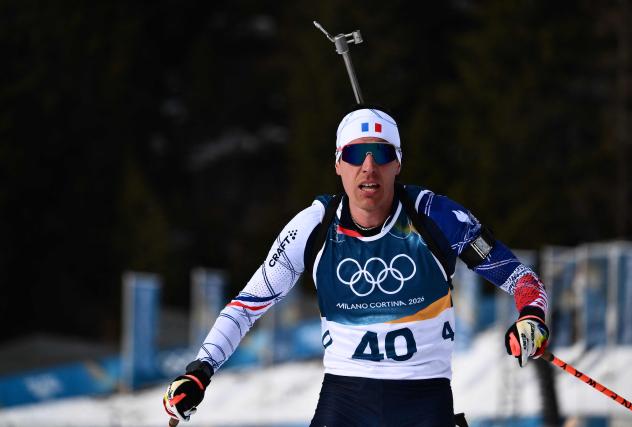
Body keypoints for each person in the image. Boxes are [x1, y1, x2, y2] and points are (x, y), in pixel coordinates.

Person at [163, 106, 550, 427]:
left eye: (381, 154)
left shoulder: (434, 215)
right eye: (354, 154)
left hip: (422, 399)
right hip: (345, 401)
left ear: (398, 164)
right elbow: (248, 305)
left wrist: (531, 316)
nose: (368, 167)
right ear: (338, 164)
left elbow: (518, 275)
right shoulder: (313, 226)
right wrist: (201, 368)